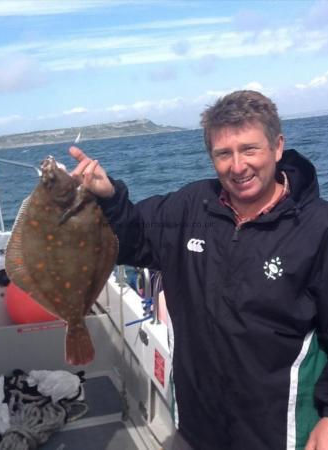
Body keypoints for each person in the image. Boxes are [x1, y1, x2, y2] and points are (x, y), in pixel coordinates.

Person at [70, 90, 328, 450]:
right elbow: (132, 240)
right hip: (195, 426)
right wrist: (111, 197)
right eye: (224, 154)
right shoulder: (191, 206)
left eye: (249, 149)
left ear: (278, 147)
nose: (237, 166)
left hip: (277, 433)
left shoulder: (318, 228)